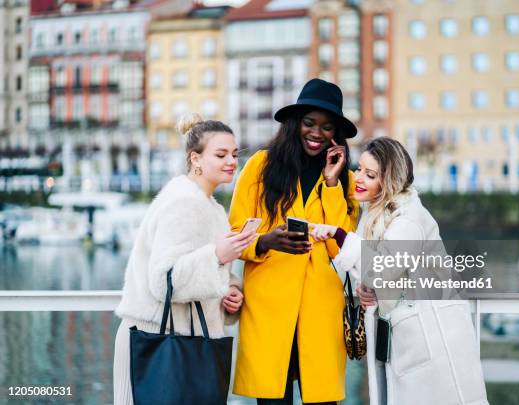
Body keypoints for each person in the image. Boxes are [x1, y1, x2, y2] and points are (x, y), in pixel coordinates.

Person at [310, 137, 489, 405]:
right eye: (359, 169)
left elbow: (383, 269)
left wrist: (339, 236)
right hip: (412, 336)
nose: (358, 178)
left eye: (370, 175)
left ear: (390, 180)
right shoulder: (376, 214)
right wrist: (368, 289)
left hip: (434, 337)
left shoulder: (408, 218)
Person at [229, 79, 360, 404]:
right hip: (269, 307)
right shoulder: (260, 166)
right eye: (309, 123)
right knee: (272, 399)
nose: (317, 133)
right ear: (294, 124)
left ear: (336, 135)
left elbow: (342, 247)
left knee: (322, 399)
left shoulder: (345, 180)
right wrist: (266, 242)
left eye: (327, 127)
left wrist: (331, 184)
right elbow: (234, 235)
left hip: (321, 309)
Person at [113, 114, 256, 405]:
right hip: (158, 340)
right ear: (196, 159)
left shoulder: (209, 207)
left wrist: (230, 293)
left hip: (178, 341)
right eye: (220, 154)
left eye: (233, 154)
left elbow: (204, 273)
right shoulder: (184, 202)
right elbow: (164, 281)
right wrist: (217, 256)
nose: (231, 161)